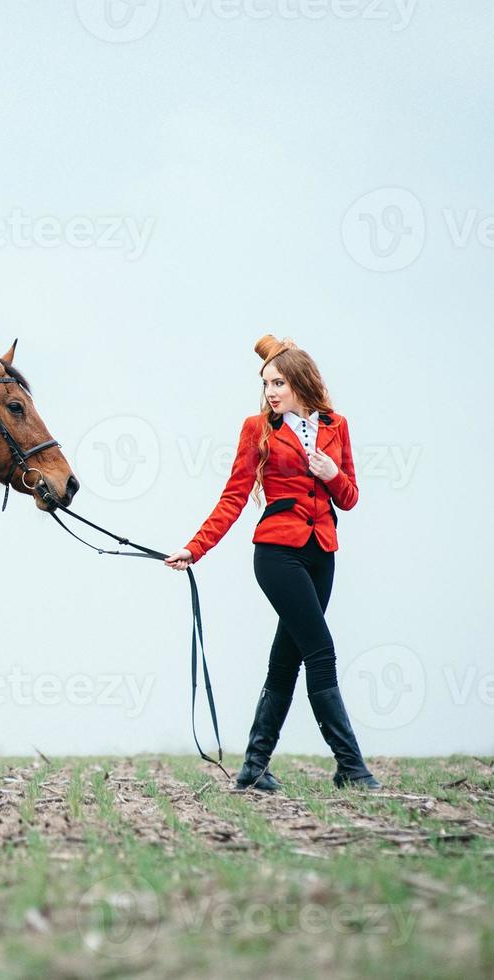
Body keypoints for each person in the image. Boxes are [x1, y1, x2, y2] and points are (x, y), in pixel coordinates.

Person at [164, 335, 381, 792]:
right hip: (277, 553)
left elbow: (351, 497)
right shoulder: (257, 430)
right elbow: (234, 497)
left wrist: (331, 474)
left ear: (301, 382)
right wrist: (195, 547)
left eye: (278, 382)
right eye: (266, 384)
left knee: (287, 660)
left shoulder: (336, 426)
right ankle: (352, 767)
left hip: (323, 553)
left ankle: (254, 767)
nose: (271, 393)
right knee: (321, 652)